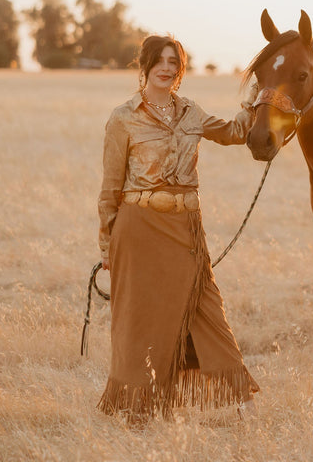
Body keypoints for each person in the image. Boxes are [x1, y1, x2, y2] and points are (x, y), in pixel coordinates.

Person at [96, 34, 258, 423]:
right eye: (161, 61)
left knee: (207, 310)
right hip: (138, 228)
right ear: (146, 65)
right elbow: (110, 188)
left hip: (185, 229)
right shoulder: (123, 118)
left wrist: (258, 102)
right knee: (141, 318)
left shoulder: (191, 113)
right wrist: (106, 248)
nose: (168, 68)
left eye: (175, 62)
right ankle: (138, 408)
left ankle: (241, 403)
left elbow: (235, 133)